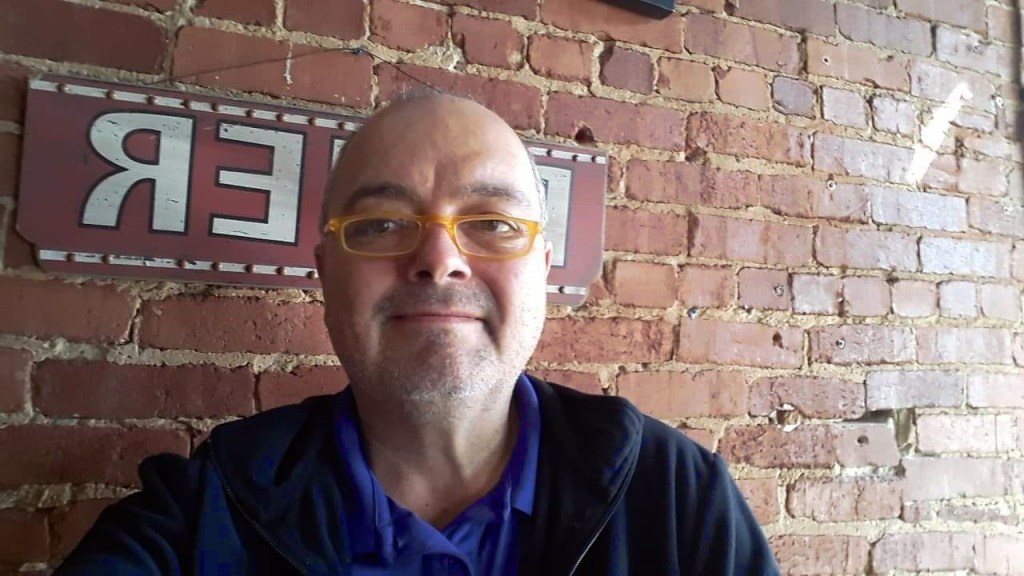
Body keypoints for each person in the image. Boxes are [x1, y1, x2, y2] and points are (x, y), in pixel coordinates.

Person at [56, 93, 780, 575]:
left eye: (491, 223)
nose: (439, 258)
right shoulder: (203, 508)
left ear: (542, 270)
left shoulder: (680, 498)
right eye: (380, 225)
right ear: (327, 272)